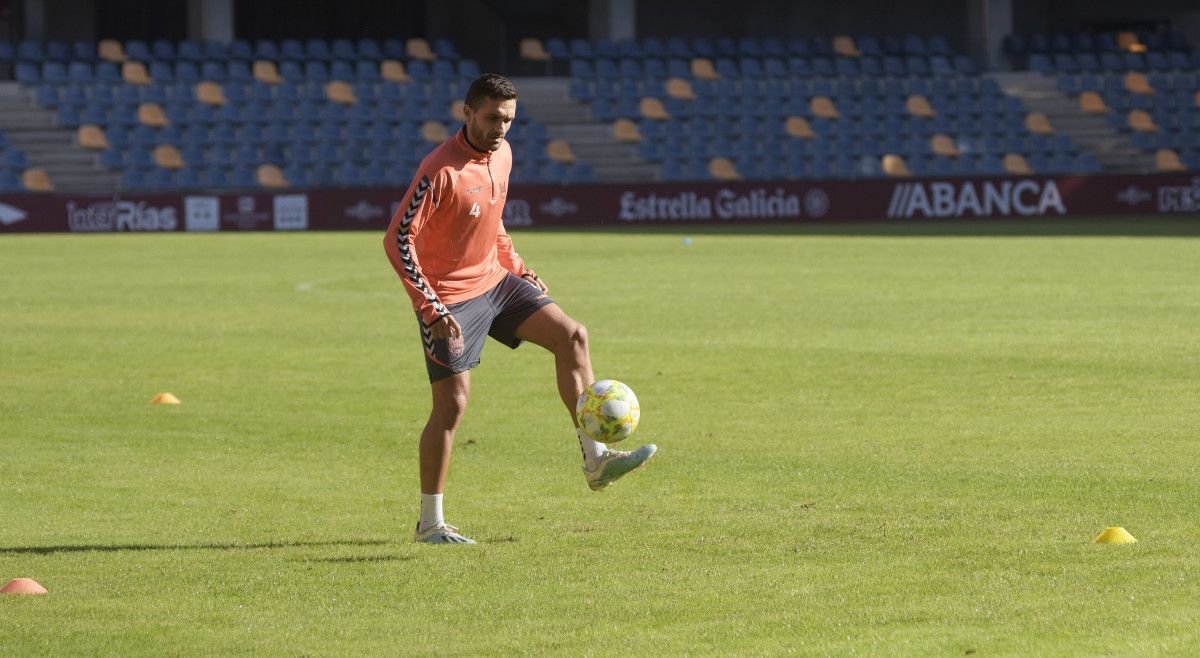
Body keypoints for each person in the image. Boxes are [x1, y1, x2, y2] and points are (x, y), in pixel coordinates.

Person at [383, 73, 657, 545]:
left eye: (508, 120)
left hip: (495, 280)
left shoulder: (504, 154)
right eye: (491, 118)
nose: (500, 129)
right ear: (467, 113)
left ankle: (596, 460)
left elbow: (495, 219)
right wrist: (430, 307)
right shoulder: (440, 170)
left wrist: (518, 267)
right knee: (452, 406)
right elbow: (397, 239)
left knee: (572, 335)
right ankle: (430, 523)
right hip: (448, 297)